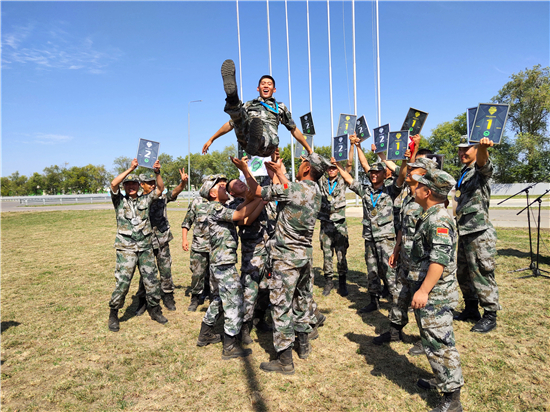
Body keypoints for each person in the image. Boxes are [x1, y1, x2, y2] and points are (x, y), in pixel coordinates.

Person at [255, 153, 330, 375]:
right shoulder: (316, 191)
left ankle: (284, 360)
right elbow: (290, 188)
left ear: (306, 168)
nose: (299, 165)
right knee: (302, 299)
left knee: (281, 306)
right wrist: (278, 172)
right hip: (304, 256)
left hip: (286, 258)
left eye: (302, 162)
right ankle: (303, 345)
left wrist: (246, 172)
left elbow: (259, 192)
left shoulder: (293, 189)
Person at [409, 168, 464, 412]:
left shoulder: (438, 219)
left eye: (418, 185)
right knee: (432, 341)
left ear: (427, 192)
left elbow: (438, 261)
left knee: (441, 344)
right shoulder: (430, 215)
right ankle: (441, 378)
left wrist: (423, 291)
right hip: (432, 292)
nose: (414, 188)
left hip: (436, 294)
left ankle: (452, 400)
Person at [334, 136, 408, 313]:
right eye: (372, 172)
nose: (373, 174)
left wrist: (405, 161)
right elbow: (349, 179)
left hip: (386, 238)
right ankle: (373, 301)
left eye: (377, 172)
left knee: (389, 272)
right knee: (372, 271)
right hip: (369, 237)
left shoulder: (390, 190)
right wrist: (337, 166)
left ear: (384, 174)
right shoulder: (365, 190)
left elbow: (402, 176)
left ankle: (397, 304)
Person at [196, 174, 265, 360]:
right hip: (223, 263)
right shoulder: (215, 207)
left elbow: (240, 208)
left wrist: (252, 199)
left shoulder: (219, 207)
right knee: (234, 301)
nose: (224, 187)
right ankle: (230, 345)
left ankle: (205, 333)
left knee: (220, 299)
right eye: (220, 186)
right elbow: (241, 215)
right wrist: (260, 198)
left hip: (219, 262)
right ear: (212, 194)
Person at [372, 157, 437, 346]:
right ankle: (394, 332)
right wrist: (397, 248)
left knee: (423, 301)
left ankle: (428, 340)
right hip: (405, 258)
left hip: (422, 261)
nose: (409, 171)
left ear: (424, 174)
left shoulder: (429, 199)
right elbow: (402, 226)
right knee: (399, 296)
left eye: (414, 169)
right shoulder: (409, 196)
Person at [202, 59, 312, 158]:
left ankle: (258, 139)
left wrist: (309, 149)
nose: (266, 86)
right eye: (263, 84)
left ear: (274, 89)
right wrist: (211, 139)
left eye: (269, 84)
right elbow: (231, 124)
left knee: (260, 129)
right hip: (247, 141)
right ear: (258, 88)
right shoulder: (249, 105)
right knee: (239, 115)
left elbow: (293, 129)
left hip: (268, 146)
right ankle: (232, 97)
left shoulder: (280, 107)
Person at [108, 158, 168, 332]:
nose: (131, 186)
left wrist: (157, 172)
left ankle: (155, 310)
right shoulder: (119, 201)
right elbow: (113, 184)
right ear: (124, 187)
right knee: (123, 282)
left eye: (134, 183)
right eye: (128, 184)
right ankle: (114, 313)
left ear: (139, 185)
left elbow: (160, 189)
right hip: (126, 248)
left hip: (145, 247)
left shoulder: (146, 200)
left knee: (151, 280)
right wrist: (130, 169)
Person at [453, 136, 501, 333]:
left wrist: (482, 148)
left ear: (475, 150)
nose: (462, 152)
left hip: (479, 232)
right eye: (460, 149)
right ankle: (471, 308)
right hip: (465, 230)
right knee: (463, 273)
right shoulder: (464, 172)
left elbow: (484, 164)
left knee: (482, 273)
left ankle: (490, 314)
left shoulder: (479, 170)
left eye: (467, 149)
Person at [134, 168, 188, 314]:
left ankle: (168, 296)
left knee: (166, 270)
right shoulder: (137, 201)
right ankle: (143, 300)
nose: (152, 185)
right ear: (142, 185)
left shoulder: (161, 198)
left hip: (162, 240)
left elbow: (175, 192)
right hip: (145, 242)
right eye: (149, 183)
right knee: (145, 272)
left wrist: (183, 183)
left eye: (154, 183)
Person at [317, 142, 355, 296]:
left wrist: (351, 146)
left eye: (333, 168)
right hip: (326, 224)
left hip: (339, 224)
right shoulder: (321, 181)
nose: (331, 170)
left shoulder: (342, 180)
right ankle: (328, 282)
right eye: (329, 168)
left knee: (341, 254)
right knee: (327, 254)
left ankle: (342, 282)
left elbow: (349, 164)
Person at [182, 186, 212, 312]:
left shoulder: (225, 201)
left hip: (217, 247)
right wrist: (184, 239)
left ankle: (212, 295)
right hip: (199, 245)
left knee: (214, 274)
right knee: (197, 273)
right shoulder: (197, 202)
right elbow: (187, 222)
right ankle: (195, 298)